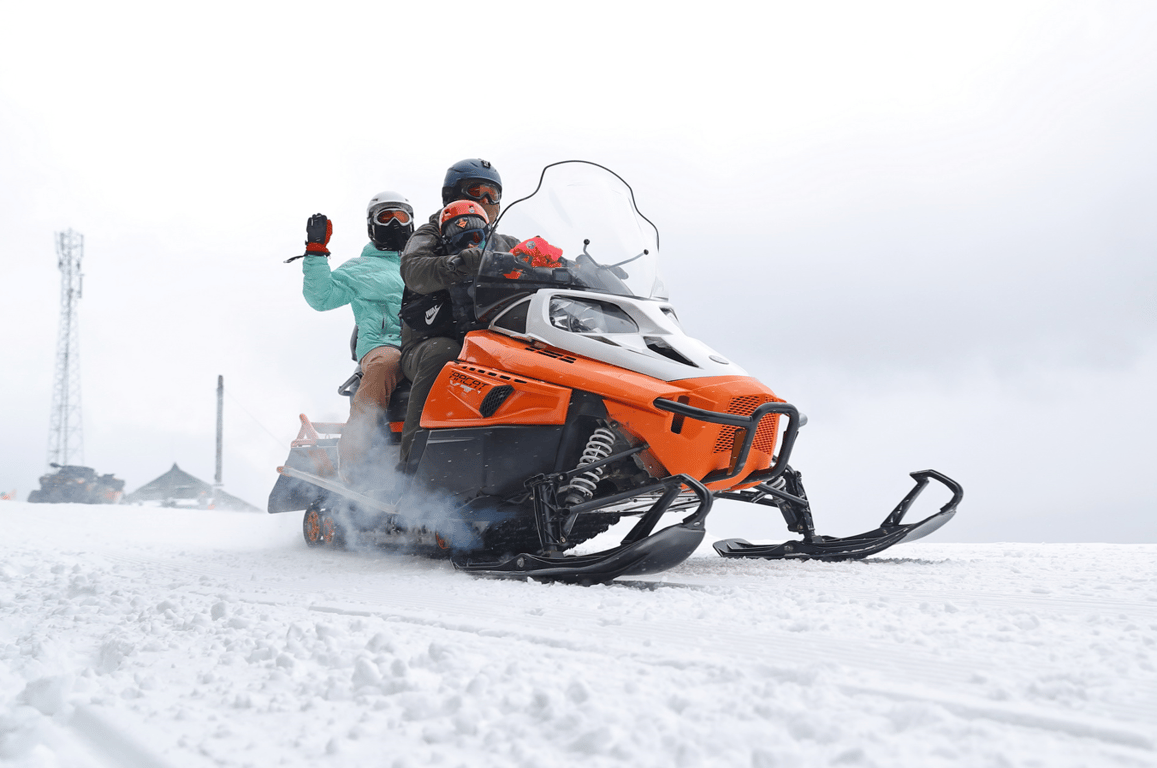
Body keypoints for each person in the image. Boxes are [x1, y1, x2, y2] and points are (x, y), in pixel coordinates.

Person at [398, 159, 519, 464]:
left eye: (493, 195)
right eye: (477, 191)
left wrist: (582, 268)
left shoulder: (504, 243)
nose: (487, 201)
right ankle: (411, 467)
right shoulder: (431, 234)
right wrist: (458, 262)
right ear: (452, 195)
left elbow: (541, 256)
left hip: (492, 337)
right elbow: (414, 270)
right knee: (443, 352)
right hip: (428, 342)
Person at [297, 191, 413, 484]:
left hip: (422, 343)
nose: (396, 224)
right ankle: (352, 462)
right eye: (387, 217)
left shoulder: (421, 265)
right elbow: (321, 297)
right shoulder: (359, 268)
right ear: (372, 226)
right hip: (384, 344)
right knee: (388, 363)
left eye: (403, 217)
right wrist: (316, 252)